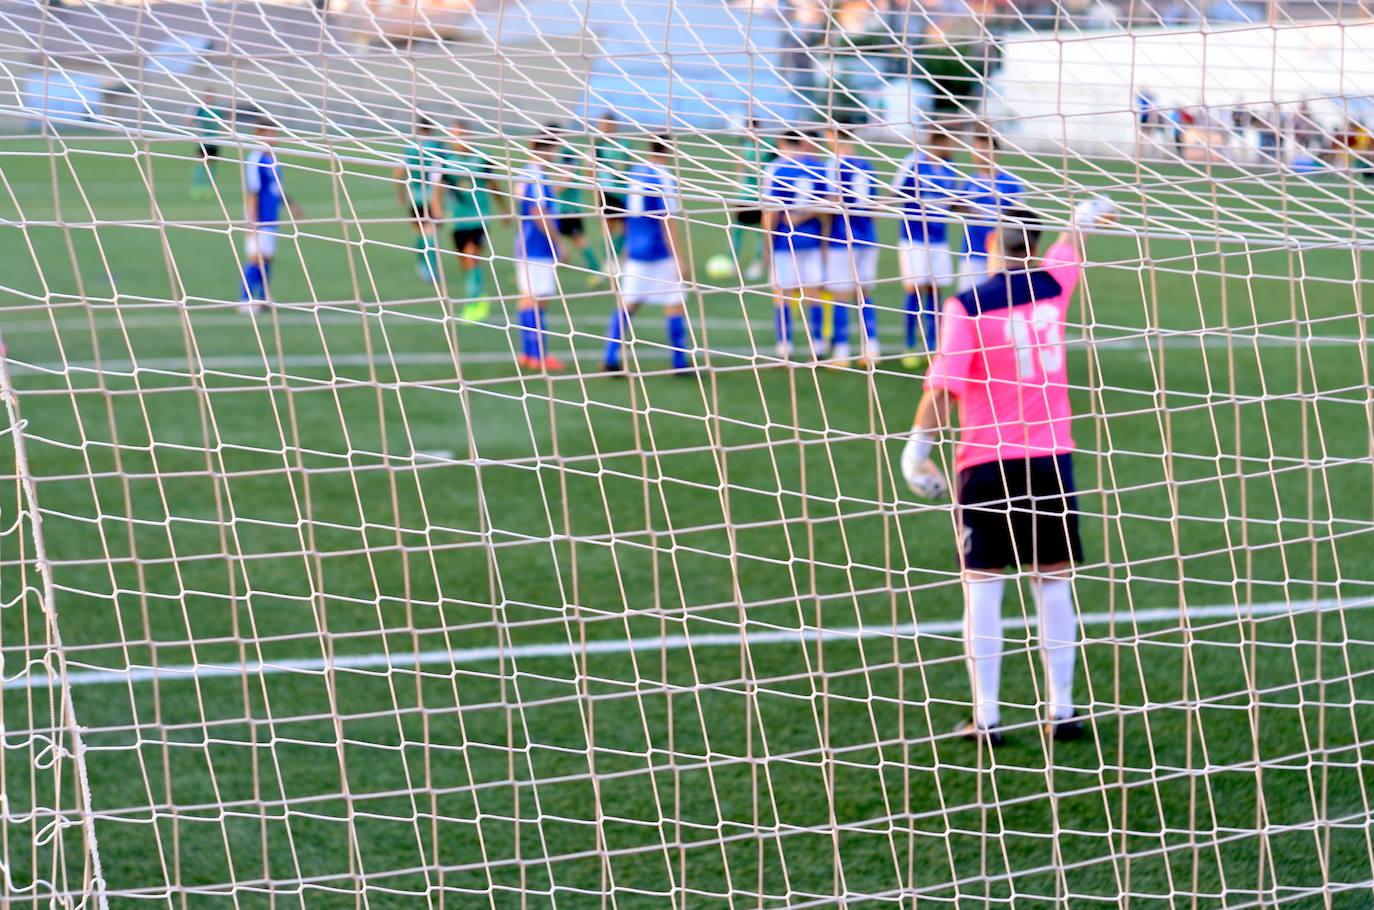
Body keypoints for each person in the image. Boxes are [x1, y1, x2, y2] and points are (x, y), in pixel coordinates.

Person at [900, 197, 1116, 747]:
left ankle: (988, 716)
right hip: (1050, 462)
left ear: (992, 247)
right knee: (1053, 583)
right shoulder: (1054, 286)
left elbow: (944, 385)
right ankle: (1062, 710)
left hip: (988, 464)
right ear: (1036, 249)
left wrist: (915, 450)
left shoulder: (966, 305)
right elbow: (1074, 242)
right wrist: (1088, 212)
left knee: (984, 589)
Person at [602, 137, 692, 374]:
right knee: (674, 303)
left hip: (635, 252)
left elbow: (623, 213)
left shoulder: (634, 174)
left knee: (628, 303)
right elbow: (667, 220)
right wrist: (680, 258)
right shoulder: (663, 177)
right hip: (659, 251)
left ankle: (610, 355)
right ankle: (679, 362)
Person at [891, 127, 962, 368]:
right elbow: (894, 193)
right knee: (914, 288)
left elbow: (951, 202)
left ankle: (933, 344)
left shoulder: (950, 166)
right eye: (953, 141)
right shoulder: (914, 162)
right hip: (914, 239)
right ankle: (909, 344)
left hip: (939, 239)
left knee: (935, 289)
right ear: (939, 140)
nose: (955, 147)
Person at [762, 130, 829, 361]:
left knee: (782, 294)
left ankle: (784, 348)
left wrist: (767, 245)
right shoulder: (819, 167)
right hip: (812, 239)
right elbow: (829, 206)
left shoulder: (777, 168)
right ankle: (818, 345)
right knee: (813, 293)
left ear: (782, 143)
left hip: (784, 241)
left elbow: (771, 211)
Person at [820, 124, 879, 367]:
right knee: (864, 293)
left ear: (834, 135)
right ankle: (871, 347)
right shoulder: (867, 166)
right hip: (867, 237)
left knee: (841, 294)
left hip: (842, 237)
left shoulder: (833, 164)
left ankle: (842, 351)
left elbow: (833, 201)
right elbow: (873, 205)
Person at [438, 119, 502, 322]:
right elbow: (438, 186)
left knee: (472, 255)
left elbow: (493, 184)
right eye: (454, 136)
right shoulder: (447, 160)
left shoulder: (482, 159)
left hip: (479, 219)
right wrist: (437, 208)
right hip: (457, 221)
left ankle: (473, 303)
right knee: (466, 263)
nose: (458, 140)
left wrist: (504, 208)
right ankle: (478, 294)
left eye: (462, 135)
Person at [514, 132, 567, 372]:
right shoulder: (536, 176)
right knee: (538, 300)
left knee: (527, 298)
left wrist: (558, 187)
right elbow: (538, 212)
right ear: (545, 149)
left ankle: (528, 353)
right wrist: (558, 243)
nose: (555, 156)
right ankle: (539, 356)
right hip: (537, 247)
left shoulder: (528, 173)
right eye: (554, 150)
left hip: (524, 245)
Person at [239, 116, 301, 312]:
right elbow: (253, 191)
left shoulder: (272, 158)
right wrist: (251, 220)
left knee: (267, 257)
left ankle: (263, 297)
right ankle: (245, 300)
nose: (276, 137)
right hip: (259, 217)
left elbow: (276, 188)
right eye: (272, 133)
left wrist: (291, 205)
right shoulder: (255, 159)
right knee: (256, 257)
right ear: (259, 135)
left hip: (271, 216)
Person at [955, 131, 1026, 292]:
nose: (980, 155)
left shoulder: (1012, 183)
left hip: (1001, 253)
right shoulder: (968, 182)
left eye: (984, 150)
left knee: (998, 300)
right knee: (968, 298)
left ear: (996, 152)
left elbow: (1020, 215)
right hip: (972, 250)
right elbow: (955, 205)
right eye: (976, 150)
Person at [395, 117, 447, 282]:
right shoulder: (437, 147)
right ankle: (429, 268)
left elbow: (398, 172)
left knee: (419, 232)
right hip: (431, 197)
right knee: (430, 233)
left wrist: (400, 193)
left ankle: (422, 264)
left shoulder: (410, 147)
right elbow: (441, 172)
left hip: (415, 197)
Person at [552, 124, 603, 282]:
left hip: (570, 207)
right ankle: (555, 263)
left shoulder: (567, 152)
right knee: (549, 234)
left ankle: (597, 271)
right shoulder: (559, 152)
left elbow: (568, 175)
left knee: (578, 239)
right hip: (561, 206)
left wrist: (552, 191)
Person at [732, 119, 778, 282]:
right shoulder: (744, 145)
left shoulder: (769, 145)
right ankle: (732, 263)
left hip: (762, 196)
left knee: (761, 232)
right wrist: (738, 187)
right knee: (737, 230)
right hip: (745, 195)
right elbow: (739, 166)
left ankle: (758, 264)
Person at [592, 112, 632, 264]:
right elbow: (591, 168)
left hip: (623, 191)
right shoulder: (597, 145)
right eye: (601, 126)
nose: (604, 129)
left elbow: (628, 165)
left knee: (625, 226)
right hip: (605, 190)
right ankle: (609, 260)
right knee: (607, 226)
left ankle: (618, 257)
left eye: (607, 126)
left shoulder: (624, 144)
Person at [190, 94, 227, 199]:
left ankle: (209, 188)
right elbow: (191, 121)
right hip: (203, 141)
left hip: (214, 142)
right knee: (200, 165)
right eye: (206, 97)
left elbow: (224, 121)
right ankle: (197, 188)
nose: (208, 99)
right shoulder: (201, 109)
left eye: (210, 97)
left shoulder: (217, 110)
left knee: (212, 167)